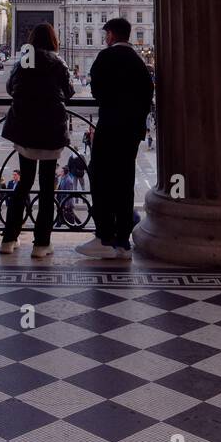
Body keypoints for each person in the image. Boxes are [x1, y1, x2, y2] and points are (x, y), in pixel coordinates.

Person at [77, 17, 153, 262]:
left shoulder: (106, 57)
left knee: (100, 177)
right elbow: (147, 94)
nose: (105, 37)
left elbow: (97, 91)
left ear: (111, 34)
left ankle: (104, 237)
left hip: (110, 126)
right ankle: (123, 242)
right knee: (124, 180)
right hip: (131, 130)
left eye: (107, 33)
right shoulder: (139, 62)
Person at [0, 23, 74, 259]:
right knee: (46, 188)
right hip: (51, 130)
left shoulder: (25, 60)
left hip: (25, 128)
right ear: (53, 40)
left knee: (23, 185)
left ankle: (9, 239)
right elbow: (69, 92)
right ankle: (41, 244)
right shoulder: (58, 63)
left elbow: (11, 87)